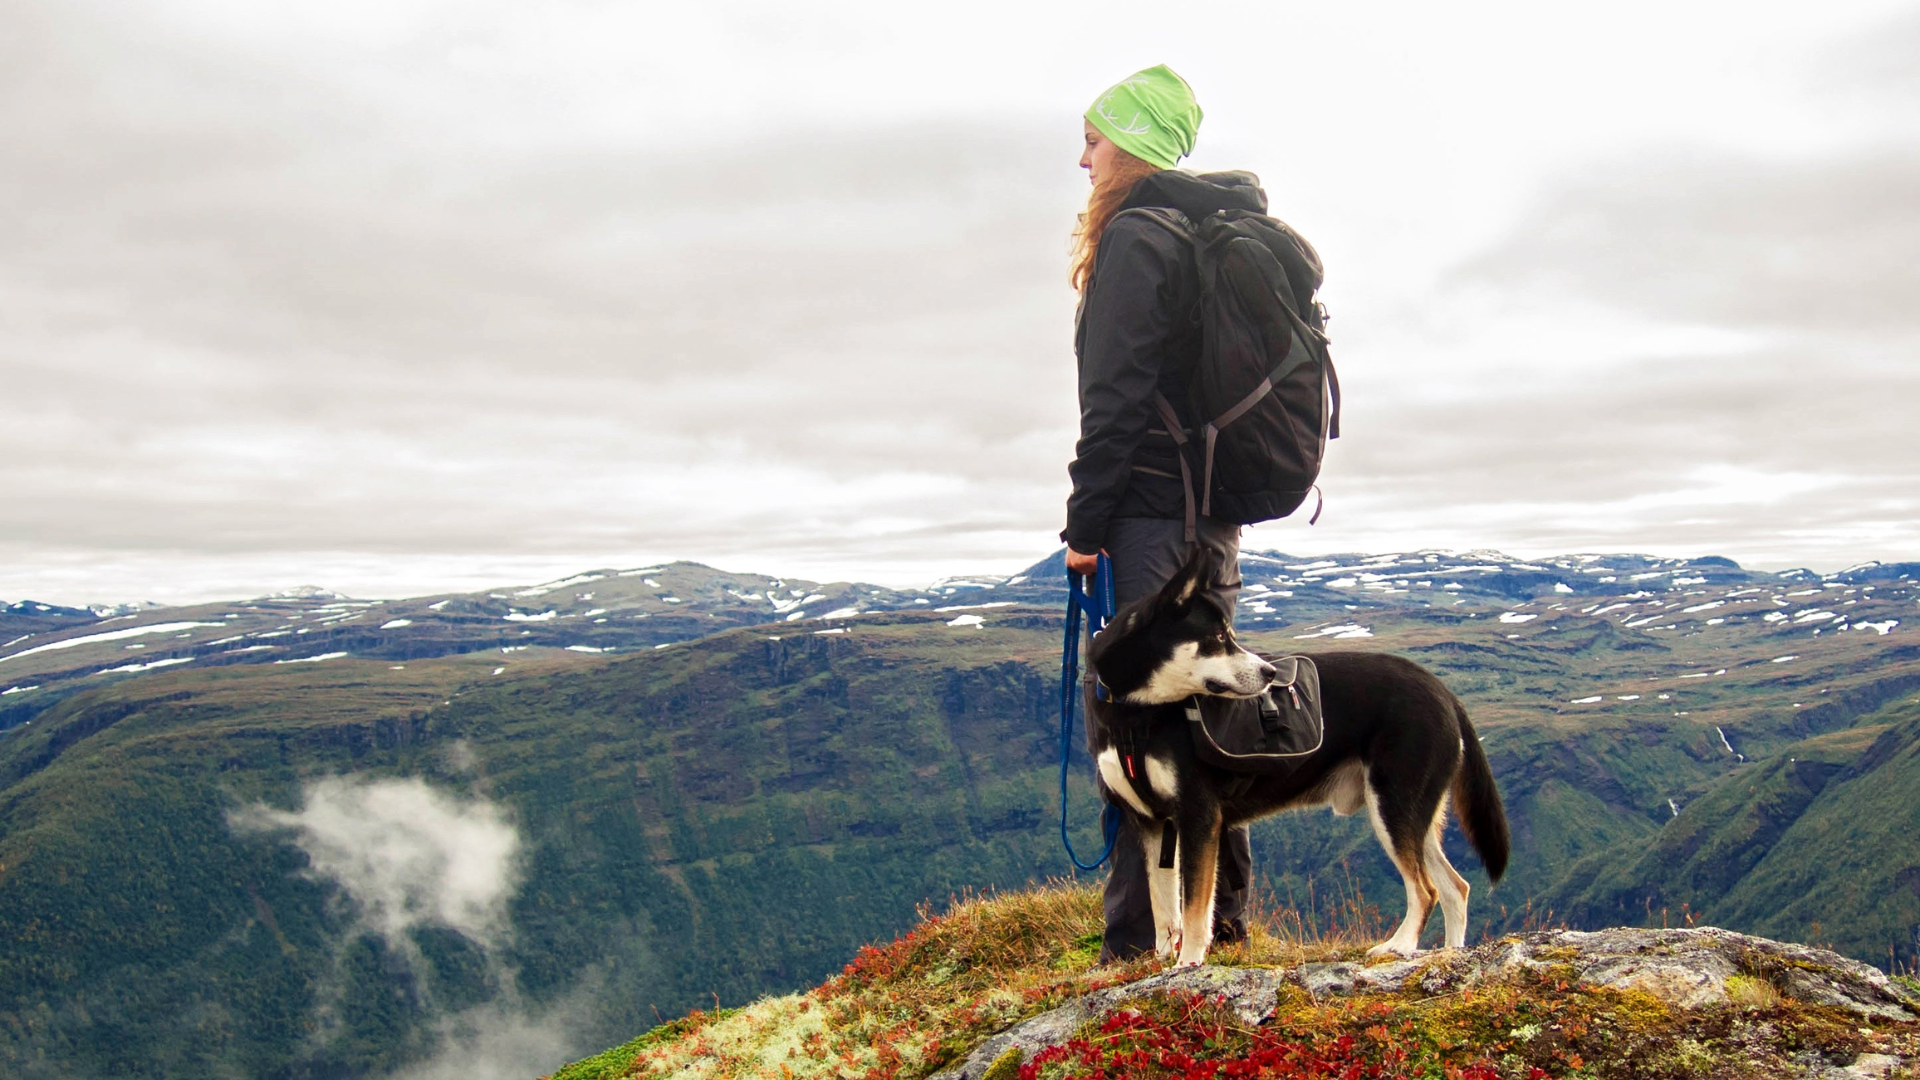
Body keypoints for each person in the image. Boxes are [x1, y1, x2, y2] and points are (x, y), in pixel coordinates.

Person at [1062, 64, 1260, 962]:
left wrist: (1084, 526)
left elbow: (1115, 401)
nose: (1083, 157)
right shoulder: (1196, 232)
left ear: (1133, 144)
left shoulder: (1138, 238)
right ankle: (1217, 923)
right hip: (1209, 517)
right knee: (1207, 711)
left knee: (1138, 722)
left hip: (1148, 515)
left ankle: (1135, 944)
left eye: (1095, 139)